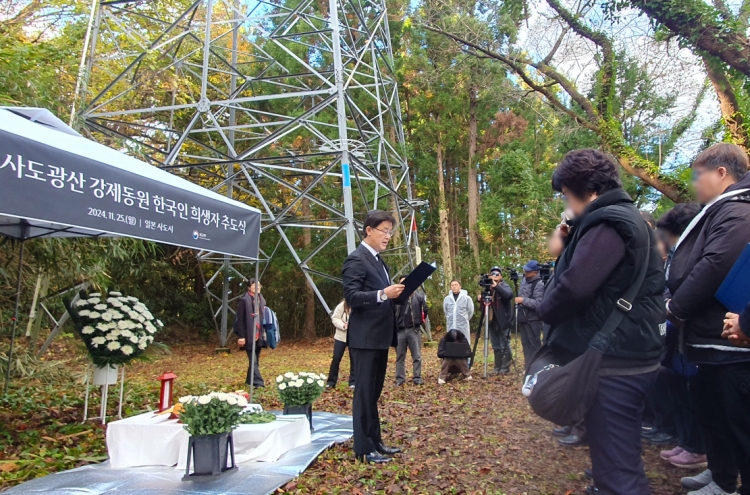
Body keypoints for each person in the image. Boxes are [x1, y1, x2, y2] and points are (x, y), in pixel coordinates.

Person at [538, 148, 665, 495]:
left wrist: (543, 309)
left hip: (616, 362)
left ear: (585, 190)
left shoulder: (609, 222)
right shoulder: (620, 217)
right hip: (626, 353)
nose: (567, 204)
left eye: (566, 195)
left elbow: (576, 286)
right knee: (616, 456)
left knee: (619, 471)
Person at [665, 143, 750, 495]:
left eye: (698, 175)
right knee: (712, 416)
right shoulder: (719, 209)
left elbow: (715, 265)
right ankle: (721, 476)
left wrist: (675, 308)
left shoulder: (737, 211)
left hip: (726, 340)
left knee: (737, 422)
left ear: (721, 173)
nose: (694, 183)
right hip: (705, 340)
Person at [342, 210, 405, 464]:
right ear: (369, 230)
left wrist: (400, 290)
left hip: (380, 337)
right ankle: (363, 448)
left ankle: (375, 441)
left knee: (373, 393)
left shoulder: (379, 261)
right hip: (364, 339)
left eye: (391, 232)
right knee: (364, 394)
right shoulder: (356, 259)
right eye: (385, 231)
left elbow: (386, 295)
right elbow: (352, 297)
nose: (388, 236)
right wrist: (382, 294)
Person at [234, 278, 266, 388]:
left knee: (255, 359)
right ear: (249, 288)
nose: (257, 288)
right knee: (253, 360)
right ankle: (258, 383)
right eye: (254, 286)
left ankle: (249, 381)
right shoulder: (244, 300)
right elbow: (240, 320)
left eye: (259, 286)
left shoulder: (261, 299)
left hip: (259, 334)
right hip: (248, 335)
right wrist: (241, 336)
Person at [480, 267, 513, 374]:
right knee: (496, 346)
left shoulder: (504, 286)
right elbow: (485, 305)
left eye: (497, 274)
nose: (494, 275)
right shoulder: (489, 288)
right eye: (492, 273)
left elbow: (508, 296)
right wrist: (480, 299)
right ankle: (497, 367)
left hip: (503, 320)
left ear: (501, 276)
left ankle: (505, 367)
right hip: (492, 320)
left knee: (504, 344)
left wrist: (497, 286)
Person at [395, 278, 427, 385]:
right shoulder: (396, 298)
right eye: (401, 282)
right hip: (400, 331)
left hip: (413, 330)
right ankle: (400, 379)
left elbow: (425, 311)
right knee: (400, 357)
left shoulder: (418, 297)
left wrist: (418, 323)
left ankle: (417, 378)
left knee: (417, 356)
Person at [515, 260, 545, 366]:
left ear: (535, 272)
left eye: (528, 271)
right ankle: (528, 367)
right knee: (525, 344)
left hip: (533, 320)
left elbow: (538, 303)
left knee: (534, 345)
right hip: (523, 317)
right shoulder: (524, 280)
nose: (526, 273)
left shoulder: (539, 283)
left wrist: (523, 300)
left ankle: (537, 367)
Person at [327, 299, 354, 389]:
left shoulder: (359, 304)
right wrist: (343, 325)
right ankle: (331, 382)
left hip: (354, 337)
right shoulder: (342, 305)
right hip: (341, 337)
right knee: (336, 358)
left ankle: (353, 382)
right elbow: (335, 318)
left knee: (354, 359)